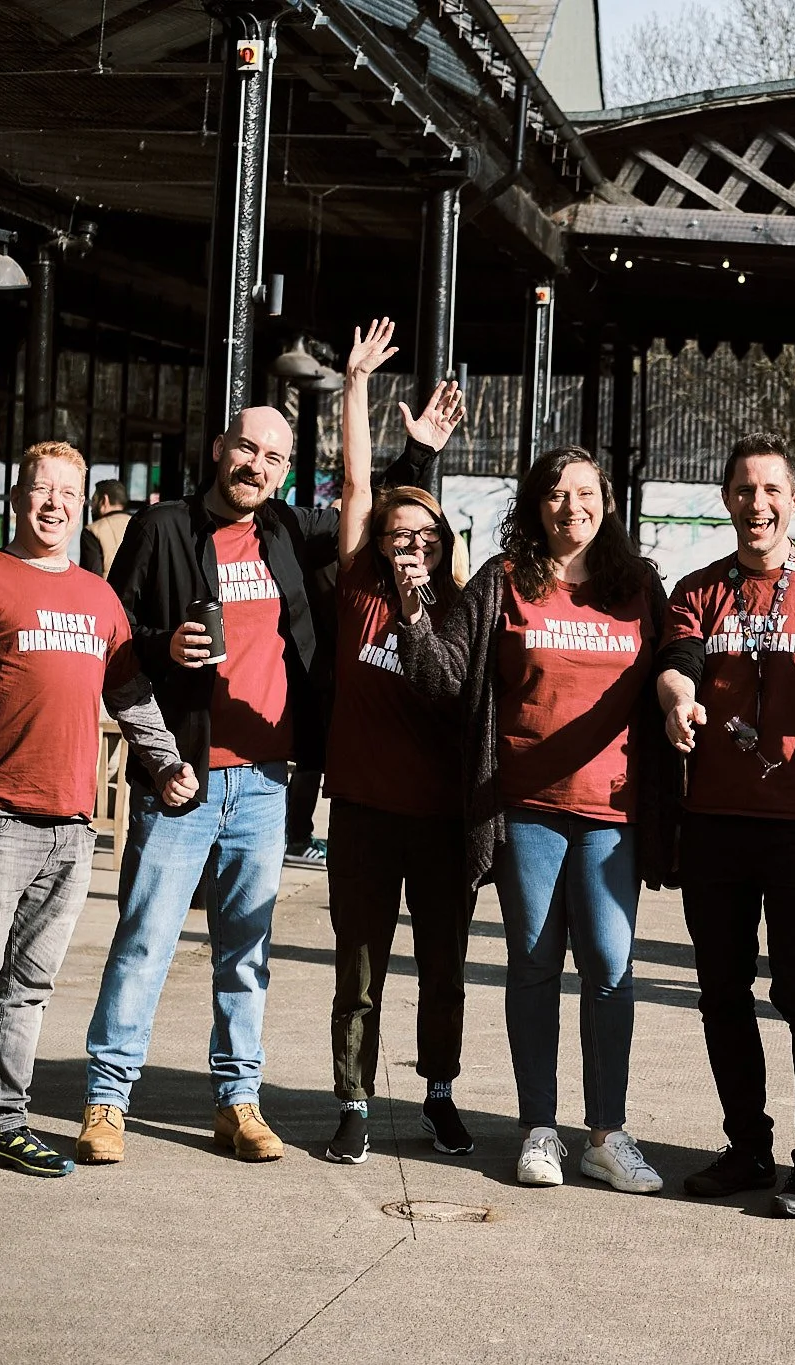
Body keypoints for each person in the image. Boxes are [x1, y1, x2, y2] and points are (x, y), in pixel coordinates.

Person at [79, 402, 432, 1165]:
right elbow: (109, 635)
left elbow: (367, 516)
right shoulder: (163, 528)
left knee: (246, 952)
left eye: (273, 458)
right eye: (247, 449)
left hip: (267, 785)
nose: (257, 467)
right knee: (145, 941)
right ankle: (107, 1101)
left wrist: (416, 453)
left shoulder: (286, 532)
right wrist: (164, 648)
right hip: (182, 779)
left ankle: (238, 1101)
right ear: (219, 449)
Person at [0, 441, 195, 1193]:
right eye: (40, 489)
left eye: (66, 491)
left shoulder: (99, 596)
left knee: (30, 987)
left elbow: (131, 695)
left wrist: (168, 761)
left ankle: (6, 1124)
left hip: (71, 824)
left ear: (82, 503)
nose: (53, 502)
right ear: (18, 497)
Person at [396, 444, 677, 1195]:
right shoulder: (502, 581)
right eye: (554, 494)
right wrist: (414, 604)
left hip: (611, 813)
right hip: (524, 812)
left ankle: (608, 1132)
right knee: (533, 963)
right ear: (534, 505)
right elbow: (443, 674)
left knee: (612, 970)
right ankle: (539, 1128)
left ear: (607, 502)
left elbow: (679, 652)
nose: (570, 507)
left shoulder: (636, 586)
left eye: (584, 493)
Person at [657, 434, 795, 1219]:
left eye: (771, 490)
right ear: (726, 500)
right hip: (715, 821)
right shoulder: (698, 587)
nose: (756, 503)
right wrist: (677, 698)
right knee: (721, 990)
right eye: (742, 490)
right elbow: (680, 657)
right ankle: (746, 1145)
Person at [319, 318, 474, 1164]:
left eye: (425, 536)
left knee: (442, 967)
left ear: (443, 544)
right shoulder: (357, 593)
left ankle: (439, 1096)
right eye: (397, 535)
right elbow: (354, 482)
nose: (411, 545)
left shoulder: (459, 610)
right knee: (360, 967)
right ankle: (355, 1099)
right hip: (367, 813)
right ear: (378, 545)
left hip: (440, 819)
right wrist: (354, 388)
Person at [80, 480, 133, 578]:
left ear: (104, 500)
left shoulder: (92, 531)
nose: (91, 507)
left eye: (94, 501)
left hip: (107, 592)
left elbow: (92, 578)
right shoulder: (140, 525)